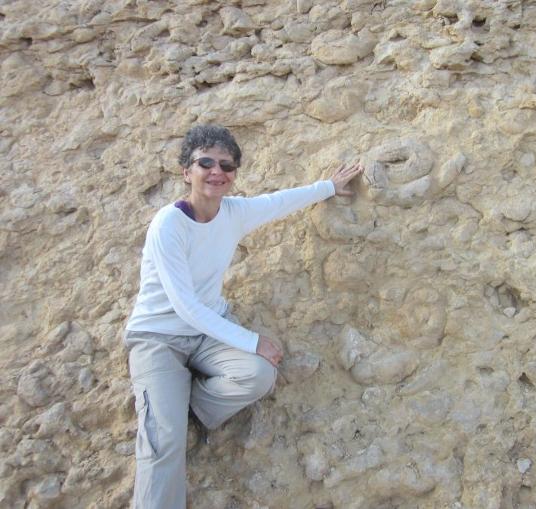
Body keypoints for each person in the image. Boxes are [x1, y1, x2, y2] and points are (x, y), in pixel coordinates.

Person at [123, 124, 363, 509]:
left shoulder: (233, 212)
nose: (217, 171)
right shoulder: (169, 225)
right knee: (163, 445)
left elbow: (280, 201)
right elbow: (185, 306)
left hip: (205, 334)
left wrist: (329, 187)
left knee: (258, 374)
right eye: (206, 162)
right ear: (187, 171)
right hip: (158, 338)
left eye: (227, 165)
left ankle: (192, 407)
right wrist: (252, 340)